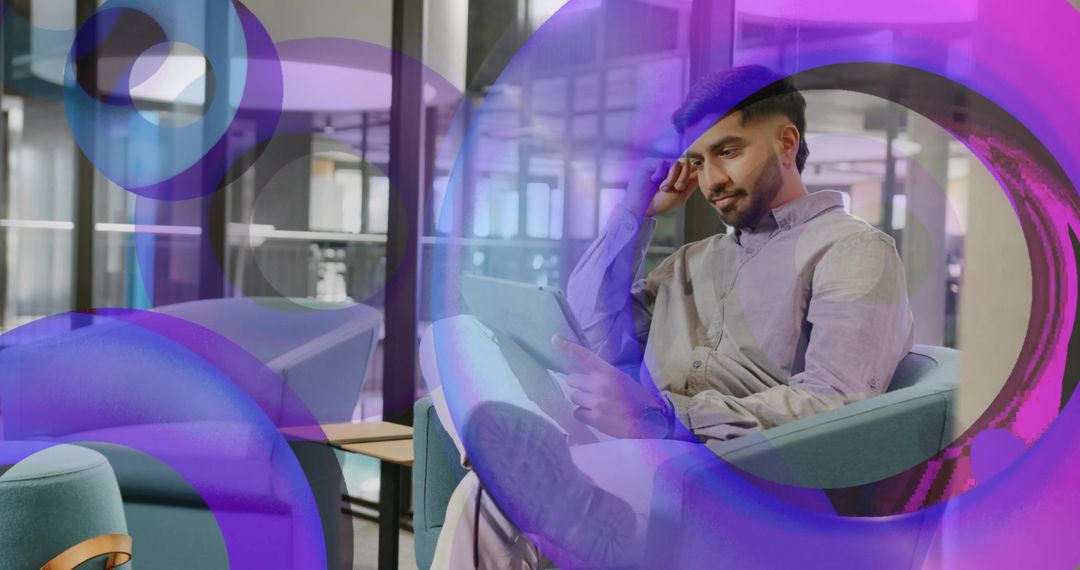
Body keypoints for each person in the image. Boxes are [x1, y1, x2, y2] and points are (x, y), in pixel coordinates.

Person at [420, 65, 915, 569]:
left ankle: (525, 480)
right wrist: (636, 213)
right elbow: (592, 328)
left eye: (729, 151)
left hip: (728, 470)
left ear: (786, 142)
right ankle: (519, 464)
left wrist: (659, 416)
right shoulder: (693, 261)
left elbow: (838, 402)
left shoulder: (853, 249)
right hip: (636, 446)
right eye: (697, 161)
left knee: (481, 500)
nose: (712, 180)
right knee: (449, 335)